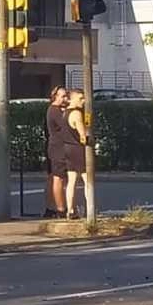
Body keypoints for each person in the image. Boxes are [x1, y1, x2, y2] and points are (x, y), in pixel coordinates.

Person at [63, 89, 89, 220]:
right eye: (80, 98)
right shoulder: (77, 114)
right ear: (71, 99)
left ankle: (70, 209)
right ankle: (90, 209)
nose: (83, 101)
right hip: (79, 149)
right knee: (87, 180)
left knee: (71, 180)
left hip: (68, 148)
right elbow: (83, 135)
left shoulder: (64, 113)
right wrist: (88, 134)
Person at [44, 86, 69, 218]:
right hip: (58, 148)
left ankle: (50, 208)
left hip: (54, 147)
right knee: (58, 178)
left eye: (66, 96)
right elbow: (67, 125)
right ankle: (60, 209)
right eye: (63, 96)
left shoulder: (55, 110)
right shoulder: (55, 111)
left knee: (53, 178)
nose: (66, 99)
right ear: (55, 97)